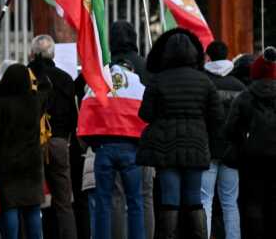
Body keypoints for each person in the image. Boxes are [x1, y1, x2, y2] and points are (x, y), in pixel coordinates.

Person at [137, 28, 222, 238]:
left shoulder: (157, 80)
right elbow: (217, 116)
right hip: (195, 144)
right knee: (195, 198)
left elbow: (145, 114)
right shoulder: (205, 81)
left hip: (165, 147)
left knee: (169, 198)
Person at [76, 60, 147, 239]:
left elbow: (85, 114)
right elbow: (148, 114)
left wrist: (93, 143)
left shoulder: (100, 82)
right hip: (131, 148)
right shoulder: (137, 83)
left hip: (104, 148)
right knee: (135, 202)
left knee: (103, 202)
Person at [0, 64, 47, 239]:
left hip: (7, 167)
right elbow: (48, 87)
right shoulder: (35, 101)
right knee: (33, 209)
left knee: (9, 207)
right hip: (32, 167)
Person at [27, 35, 78, 239]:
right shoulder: (65, 78)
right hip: (58, 142)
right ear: (53, 54)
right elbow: (73, 116)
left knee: (32, 201)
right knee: (64, 202)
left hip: (32, 144)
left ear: (32, 53)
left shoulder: (27, 75)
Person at [224, 47, 276, 238]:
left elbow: (229, 129)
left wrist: (242, 140)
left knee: (251, 203)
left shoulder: (244, 97)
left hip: (250, 159)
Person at [200, 40, 244, 239]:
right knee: (230, 202)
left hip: (208, 149)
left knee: (205, 200)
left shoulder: (202, 83)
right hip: (232, 151)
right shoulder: (239, 86)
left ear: (208, 57)